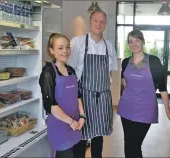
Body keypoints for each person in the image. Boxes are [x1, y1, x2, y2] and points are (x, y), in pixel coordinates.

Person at [117, 29, 170, 158]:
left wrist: (167, 111)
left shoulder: (153, 61)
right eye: (130, 41)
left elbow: (162, 88)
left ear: (143, 42)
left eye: (137, 40)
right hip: (126, 107)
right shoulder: (125, 62)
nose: (134, 44)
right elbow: (124, 80)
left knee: (134, 144)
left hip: (145, 109)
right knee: (128, 143)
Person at [67, 10, 118, 158]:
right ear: (90, 22)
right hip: (83, 97)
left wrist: (105, 89)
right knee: (81, 135)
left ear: (106, 24)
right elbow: (70, 71)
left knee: (98, 136)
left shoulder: (109, 46)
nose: (99, 24)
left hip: (102, 97)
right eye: (96, 20)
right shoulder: (77, 42)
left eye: (102, 21)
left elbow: (111, 72)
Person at [39, 33, 86, 158]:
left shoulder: (71, 70)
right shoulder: (48, 72)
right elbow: (50, 105)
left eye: (67, 47)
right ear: (51, 51)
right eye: (60, 48)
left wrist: (82, 116)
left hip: (76, 124)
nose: (65, 51)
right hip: (60, 126)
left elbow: (78, 95)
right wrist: (70, 122)